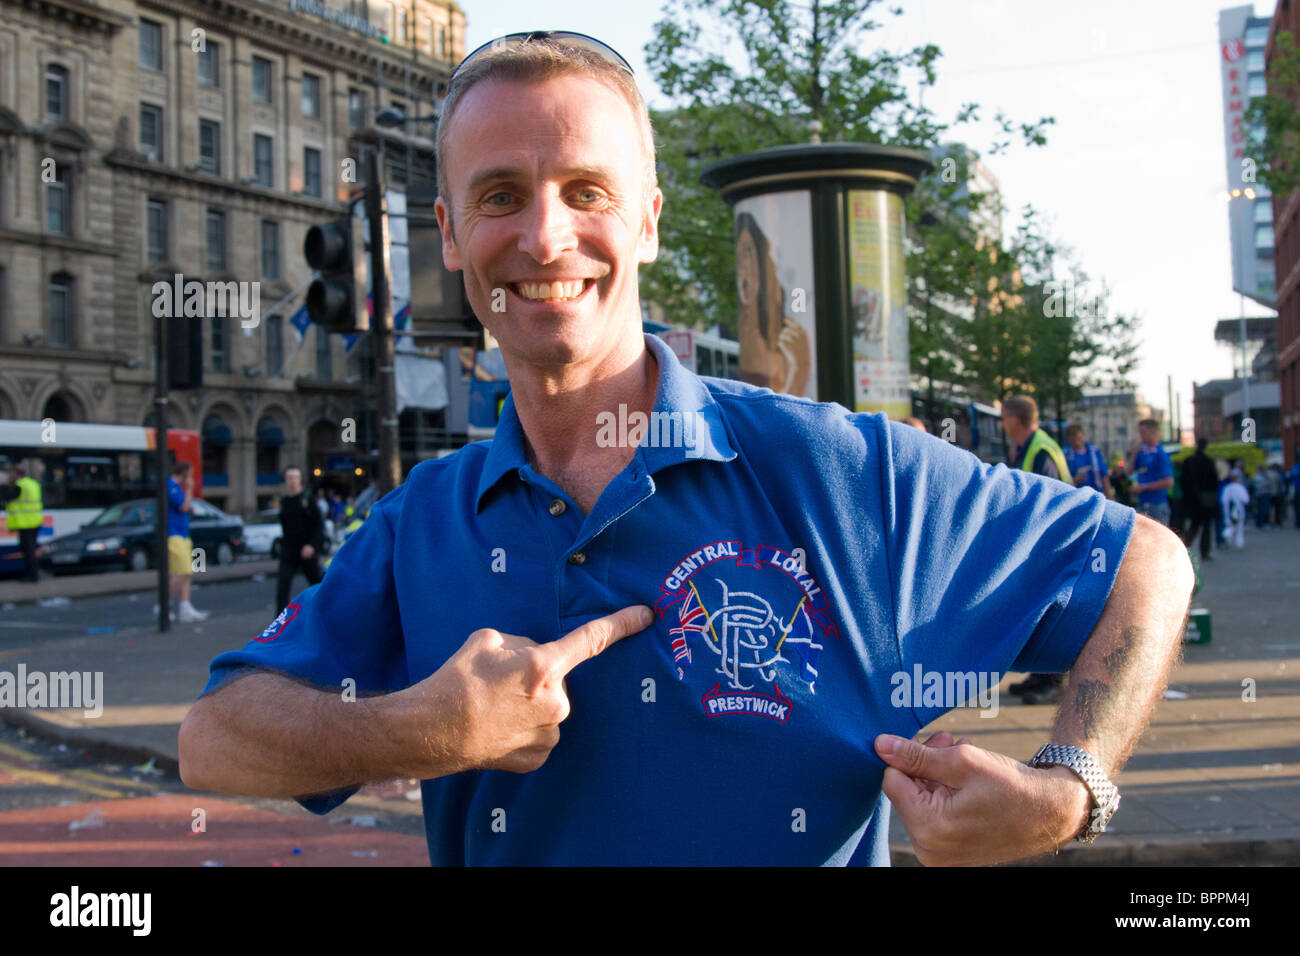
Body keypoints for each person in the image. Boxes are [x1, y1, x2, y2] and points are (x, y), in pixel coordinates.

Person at [179, 32, 1194, 868]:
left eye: (587, 189)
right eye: (499, 196)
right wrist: (420, 727)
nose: (543, 236)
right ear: (448, 234)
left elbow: (1144, 561)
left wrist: (1069, 788)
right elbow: (214, 736)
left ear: (651, 219)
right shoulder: (423, 519)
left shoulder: (840, 471)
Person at [1000, 397, 1073, 705]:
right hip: (1045, 543)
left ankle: (1052, 681)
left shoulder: (1040, 449)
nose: (1002, 423)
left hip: (1052, 543)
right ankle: (1039, 675)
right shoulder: (1033, 446)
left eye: (1004, 417)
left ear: (1015, 420)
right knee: (1038, 611)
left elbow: (1048, 498)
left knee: (1050, 611)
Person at [275, 466, 325, 614]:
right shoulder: (284, 501)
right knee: (282, 588)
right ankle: (279, 625)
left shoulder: (308, 499)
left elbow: (318, 525)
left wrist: (312, 545)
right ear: (285, 480)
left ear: (300, 480)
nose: (292, 481)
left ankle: (326, 614)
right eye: (289, 478)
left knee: (317, 584)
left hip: (307, 549)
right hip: (289, 550)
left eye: (295, 477)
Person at [167, 462, 208, 622]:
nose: (191, 478)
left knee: (186, 572)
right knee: (184, 571)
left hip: (182, 534)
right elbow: (184, 506)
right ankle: (165, 603)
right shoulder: (171, 486)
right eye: (190, 474)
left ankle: (185, 606)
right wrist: (190, 488)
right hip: (174, 534)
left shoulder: (177, 487)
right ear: (184, 473)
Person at [1001, 396, 1069, 482]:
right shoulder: (1031, 445)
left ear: (1014, 421)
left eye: (1003, 419)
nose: (1002, 424)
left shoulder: (1041, 452)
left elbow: (1048, 493)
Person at [1, 463, 43, 582]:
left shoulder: (20, 486)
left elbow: (6, 496)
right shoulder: (33, 484)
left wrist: (3, 484)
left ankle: (32, 576)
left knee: (27, 550)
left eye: (12, 474)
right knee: (31, 550)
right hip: (34, 521)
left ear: (16, 474)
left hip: (25, 523)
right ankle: (33, 574)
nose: (11, 476)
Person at [1179, 438, 1219, 562]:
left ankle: (1184, 550)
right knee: (1206, 527)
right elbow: (1214, 481)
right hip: (1206, 498)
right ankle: (1205, 552)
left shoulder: (1188, 461)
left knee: (1193, 526)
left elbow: (1182, 480)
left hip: (1192, 499)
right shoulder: (1208, 462)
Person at [1128, 419, 1173, 526]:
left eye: (1143, 432)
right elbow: (1129, 472)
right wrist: (1133, 454)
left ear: (1153, 431)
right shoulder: (1143, 453)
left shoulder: (1160, 453)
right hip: (1142, 503)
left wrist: (1144, 487)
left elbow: (1168, 482)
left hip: (1157, 504)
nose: (1141, 436)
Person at [1063, 423, 1112, 498]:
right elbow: (1061, 480)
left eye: (1079, 438)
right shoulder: (1065, 454)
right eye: (1074, 439)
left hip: (1096, 493)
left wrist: (1109, 495)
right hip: (1075, 495)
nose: (1077, 441)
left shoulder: (1094, 451)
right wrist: (1074, 480)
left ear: (1083, 436)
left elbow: (1104, 474)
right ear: (1069, 439)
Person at [1221, 473, 1250, 550]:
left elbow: (1223, 500)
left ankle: (1227, 535)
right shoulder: (1240, 488)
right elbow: (1246, 500)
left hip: (1228, 510)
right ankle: (1239, 543)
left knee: (1230, 525)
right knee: (1239, 527)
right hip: (1238, 509)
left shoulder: (1227, 488)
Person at [1251, 465, 1272, 530]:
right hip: (1261, 494)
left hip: (1262, 494)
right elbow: (1266, 484)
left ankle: (1261, 523)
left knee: (1262, 509)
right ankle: (1260, 523)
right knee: (1262, 510)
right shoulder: (1258, 477)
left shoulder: (1262, 476)